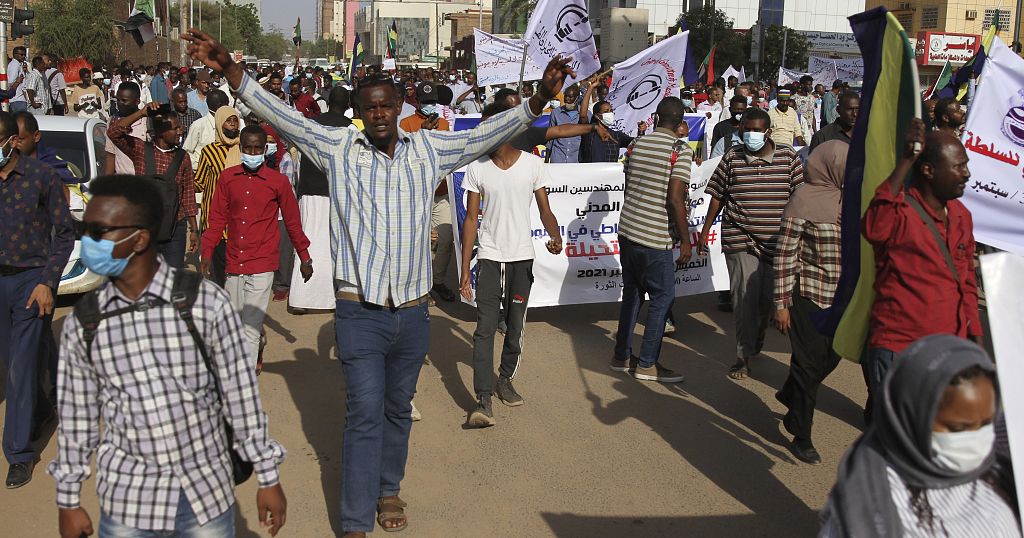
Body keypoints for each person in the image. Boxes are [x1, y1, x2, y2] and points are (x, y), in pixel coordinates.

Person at [182, 28, 574, 537]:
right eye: (371, 108)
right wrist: (227, 68)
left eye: (388, 106)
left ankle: (389, 489)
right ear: (361, 113)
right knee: (364, 411)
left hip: (412, 314)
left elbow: (488, 133)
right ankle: (353, 519)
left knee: (396, 409)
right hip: (359, 311)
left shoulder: (429, 149)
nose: (380, 115)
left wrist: (542, 96)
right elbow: (283, 117)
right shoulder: (339, 148)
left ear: (399, 105)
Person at [47, 175, 288, 538]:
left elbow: (240, 396)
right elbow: (76, 417)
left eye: (99, 232)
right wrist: (69, 500)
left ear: (139, 238)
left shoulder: (203, 303)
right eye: (85, 230)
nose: (88, 242)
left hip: (204, 496)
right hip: (129, 504)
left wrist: (267, 476)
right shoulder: (85, 322)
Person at [818, 335, 1018, 538]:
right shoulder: (871, 509)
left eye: (985, 424)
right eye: (958, 428)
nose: (977, 439)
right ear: (911, 419)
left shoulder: (1000, 473)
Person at [860, 122, 982, 422]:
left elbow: (966, 280)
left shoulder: (960, 215)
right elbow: (873, 227)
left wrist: (975, 339)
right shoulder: (899, 212)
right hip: (900, 351)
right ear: (928, 171)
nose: (966, 173)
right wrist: (906, 160)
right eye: (958, 166)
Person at [460, 102, 563, 427]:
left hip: (522, 258)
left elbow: (545, 208)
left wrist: (554, 233)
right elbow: (471, 222)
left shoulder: (532, 165)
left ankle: (505, 379)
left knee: (515, 327)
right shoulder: (477, 168)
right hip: (490, 258)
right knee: (484, 329)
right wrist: (465, 268)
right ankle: (483, 399)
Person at [700, 107, 804, 380]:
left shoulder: (789, 158)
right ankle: (742, 356)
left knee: (765, 302)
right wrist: (705, 230)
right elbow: (718, 196)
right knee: (743, 298)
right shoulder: (731, 158)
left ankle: (755, 341)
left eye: (757, 130)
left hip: (777, 242)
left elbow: (800, 199)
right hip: (740, 237)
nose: (751, 135)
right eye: (747, 129)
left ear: (768, 131)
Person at [201, 125, 313, 374]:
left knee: (249, 327)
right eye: (247, 148)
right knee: (236, 323)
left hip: (263, 262)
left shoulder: (278, 182)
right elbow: (217, 218)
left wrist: (304, 257)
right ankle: (256, 347)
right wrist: (207, 251)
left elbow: (293, 223)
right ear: (240, 149)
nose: (252, 152)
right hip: (234, 260)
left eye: (257, 148)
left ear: (265, 150)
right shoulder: (228, 178)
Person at [0, 110, 74, 489]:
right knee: (12, 360)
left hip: (30, 283)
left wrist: (48, 282)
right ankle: (46, 408)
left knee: (20, 370)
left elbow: (64, 234)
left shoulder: (42, 178)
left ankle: (19, 453)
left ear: (12, 142)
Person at [772, 140, 848, 465]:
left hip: (843, 299)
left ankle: (790, 394)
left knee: (833, 356)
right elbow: (786, 256)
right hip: (809, 295)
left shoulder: (852, 200)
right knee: (808, 363)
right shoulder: (802, 199)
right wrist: (781, 303)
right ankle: (801, 434)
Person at [610, 97, 693, 383]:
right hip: (654, 237)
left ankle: (621, 356)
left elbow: (629, 185)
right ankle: (647, 364)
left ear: (657, 118)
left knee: (632, 293)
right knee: (663, 297)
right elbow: (675, 199)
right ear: (681, 123)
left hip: (628, 230)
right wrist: (685, 240)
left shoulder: (635, 145)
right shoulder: (679, 151)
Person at [108, 102, 200, 269]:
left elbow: (187, 195)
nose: (181, 130)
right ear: (161, 132)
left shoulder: (182, 157)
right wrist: (142, 113)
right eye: (176, 127)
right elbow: (113, 132)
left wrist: (194, 230)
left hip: (175, 228)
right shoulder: (141, 150)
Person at [288, 88, 352, 312]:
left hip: (309, 190)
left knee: (307, 240)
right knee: (330, 244)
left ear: (327, 102)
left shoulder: (311, 124)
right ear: (347, 105)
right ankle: (327, 300)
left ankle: (300, 298)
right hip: (335, 191)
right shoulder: (350, 128)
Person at [193, 105, 242, 286]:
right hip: (216, 216)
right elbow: (200, 182)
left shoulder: (245, 149)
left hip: (238, 216)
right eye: (228, 121)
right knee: (219, 266)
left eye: (234, 121)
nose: (232, 125)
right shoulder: (209, 152)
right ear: (220, 124)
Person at [13, 112, 78, 185]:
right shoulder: (8, 167)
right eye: (10, 141)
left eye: (19, 140)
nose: (13, 145)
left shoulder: (54, 171)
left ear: (36, 136)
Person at [103, 82, 149, 175]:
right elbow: (111, 154)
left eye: (124, 101)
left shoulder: (147, 122)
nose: (119, 104)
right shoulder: (113, 120)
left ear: (137, 101)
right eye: (118, 100)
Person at [183, 89, 233, 168]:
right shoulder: (199, 125)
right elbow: (186, 152)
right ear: (220, 106)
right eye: (226, 105)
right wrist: (200, 166)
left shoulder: (231, 124)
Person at [793, 75, 817, 143]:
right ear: (802, 85)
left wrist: (815, 131)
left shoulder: (812, 98)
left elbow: (812, 115)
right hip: (799, 131)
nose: (810, 86)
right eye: (808, 84)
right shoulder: (794, 98)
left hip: (810, 131)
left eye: (811, 85)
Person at [8, 46, 29, 113]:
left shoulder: (19, 64)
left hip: (19, 99)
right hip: (17, 99)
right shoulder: (15, 64)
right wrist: (18, 81)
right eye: (21, 54)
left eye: (24, 55)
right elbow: (11, 81)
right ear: (15, 55)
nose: (23, 56)